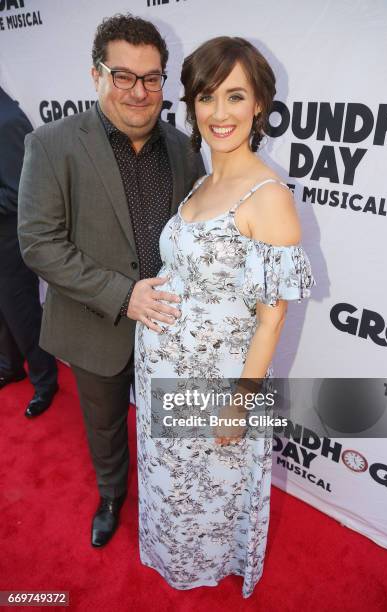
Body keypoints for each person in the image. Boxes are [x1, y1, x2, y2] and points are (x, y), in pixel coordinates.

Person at [134, 37, 315, 598]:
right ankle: (169, 554)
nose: (219, 113)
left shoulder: (268, 197)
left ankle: (200, 568)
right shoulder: (203, 182)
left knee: (208, 489)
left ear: (258, 104)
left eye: (235, 97)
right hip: (161, 372)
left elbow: (271, 320)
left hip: (216, 385)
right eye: (206, 97)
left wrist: (239, 402)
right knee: (172, 485)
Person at [18, 14, 205, 548]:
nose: (139, 91)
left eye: (151, 77)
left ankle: (167, 498)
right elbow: (40, 243)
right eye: (123, 75)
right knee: (104, 429)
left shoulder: (183, 147)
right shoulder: (52, 143)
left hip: (168, 330)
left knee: (167, 427)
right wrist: (124, 295)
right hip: (93, 325)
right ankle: (110, 495)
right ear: (96, 75)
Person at [0, 86, 58, 416]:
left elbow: (21, 193)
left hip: (9, 244)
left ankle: (45, 382)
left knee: (22, 315)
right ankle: (10, 365)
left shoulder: (7, 121)